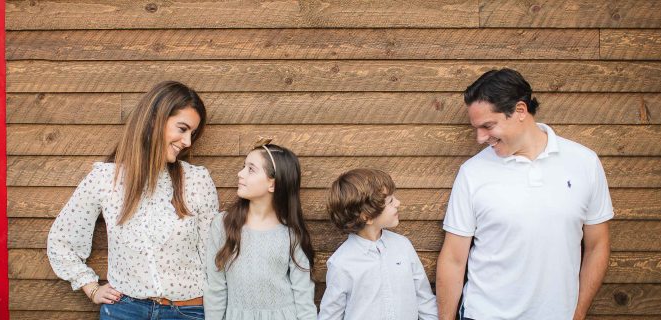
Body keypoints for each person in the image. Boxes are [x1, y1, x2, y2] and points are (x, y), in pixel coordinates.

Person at [436, 68, 613, 320]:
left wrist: (578, 313)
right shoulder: (472, 173)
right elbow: (453, 258)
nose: (480, 137)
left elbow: (597, 246)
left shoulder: (584, 162)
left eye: (488, 126)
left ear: (520, 110)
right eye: (476, 128)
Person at [47, 81, 219, 320]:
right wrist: (91, 287)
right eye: (182, 128)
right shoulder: (106, 178)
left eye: (192, 133)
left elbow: (212, 256)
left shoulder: (197, 181)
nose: (188, 142)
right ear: (154, 120)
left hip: (188, 310)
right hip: (124, 311)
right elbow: (62, 240)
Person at [204, 139, 317, 320]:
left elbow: (303, 295)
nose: (240, 174)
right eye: (243, 166)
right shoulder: (223, 225)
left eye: (251, 169)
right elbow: (216, 288)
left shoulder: (291, 233)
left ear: (272, 183)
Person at [319, 168, 438, 320]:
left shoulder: (403, 246)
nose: (398, 203)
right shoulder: (341, 263)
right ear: (367, 216)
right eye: (390, 201)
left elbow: (425, 301)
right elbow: (330, 316)